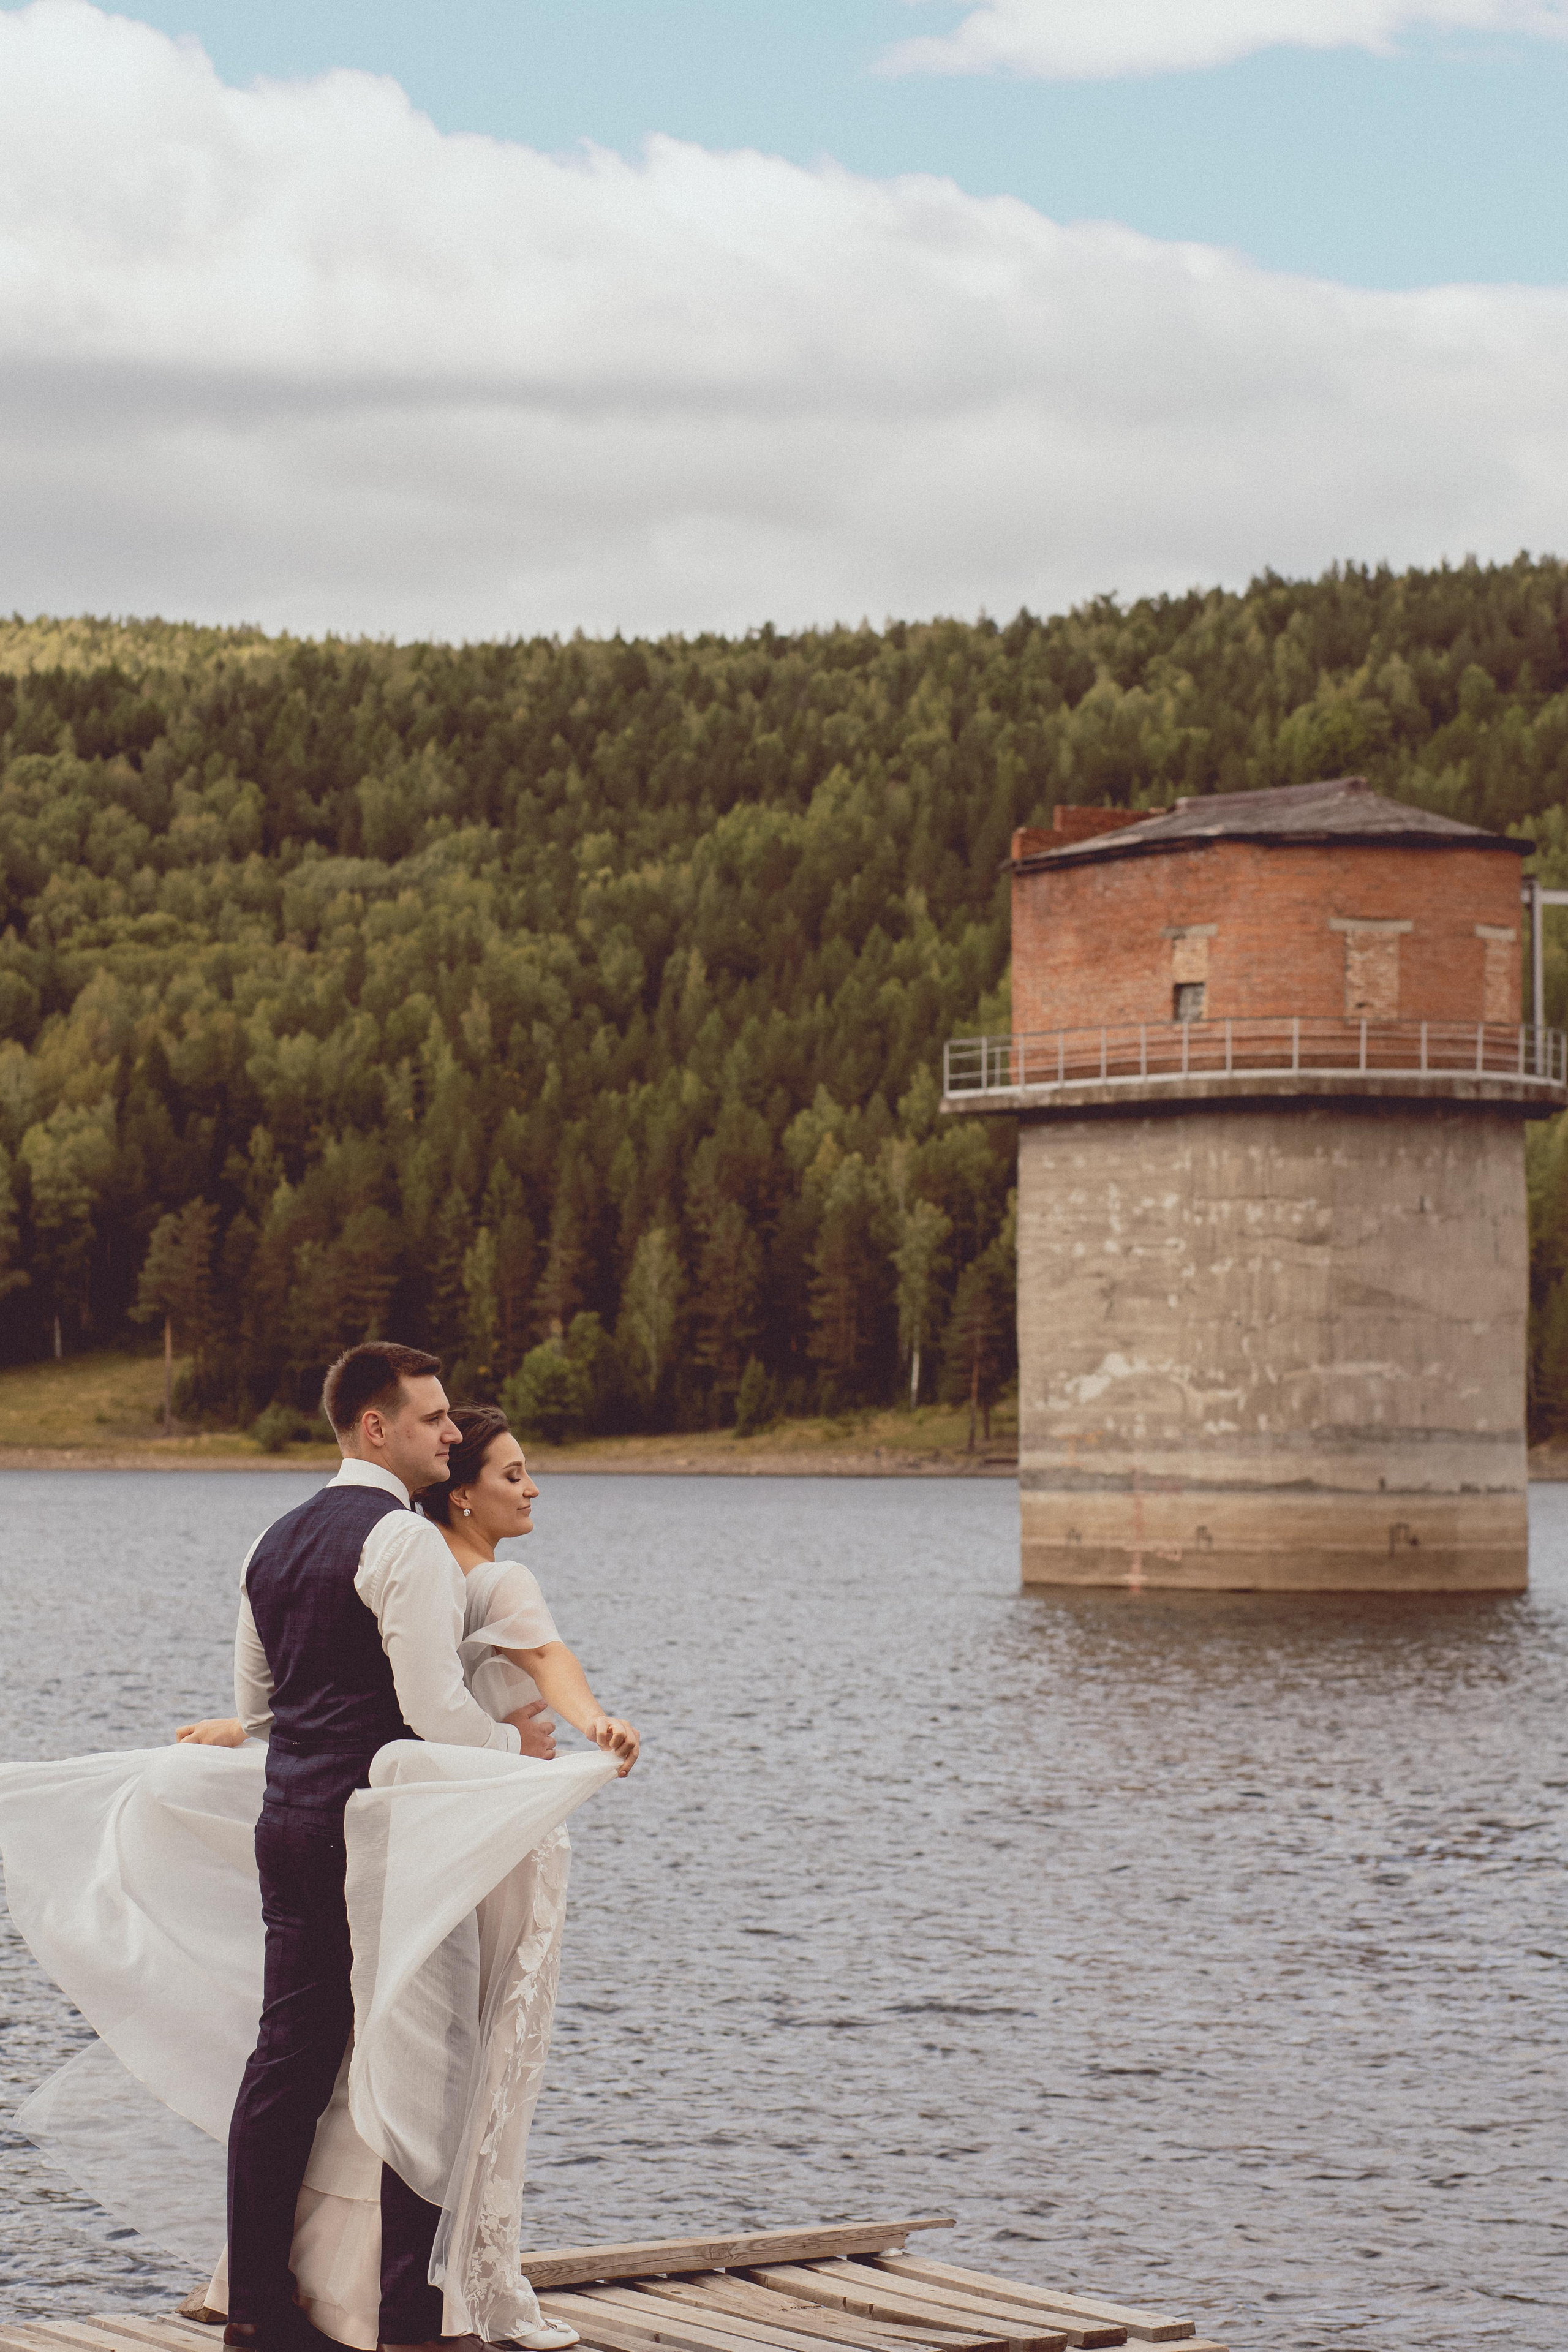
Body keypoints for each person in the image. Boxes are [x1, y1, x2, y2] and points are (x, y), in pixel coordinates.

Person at [0, 1342, 635, 2352]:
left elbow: (260, 1707)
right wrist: (514, 1762)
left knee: (289, 2062)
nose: (450, 1433)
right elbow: (431, 1709)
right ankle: (405, 2318)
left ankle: (256, 2306)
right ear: (376, 1428)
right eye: (432, 1420)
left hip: (289, 1826)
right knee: (425, 2059)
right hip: (386, 1836)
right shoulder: (404, 1542)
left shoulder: (273, 1537)